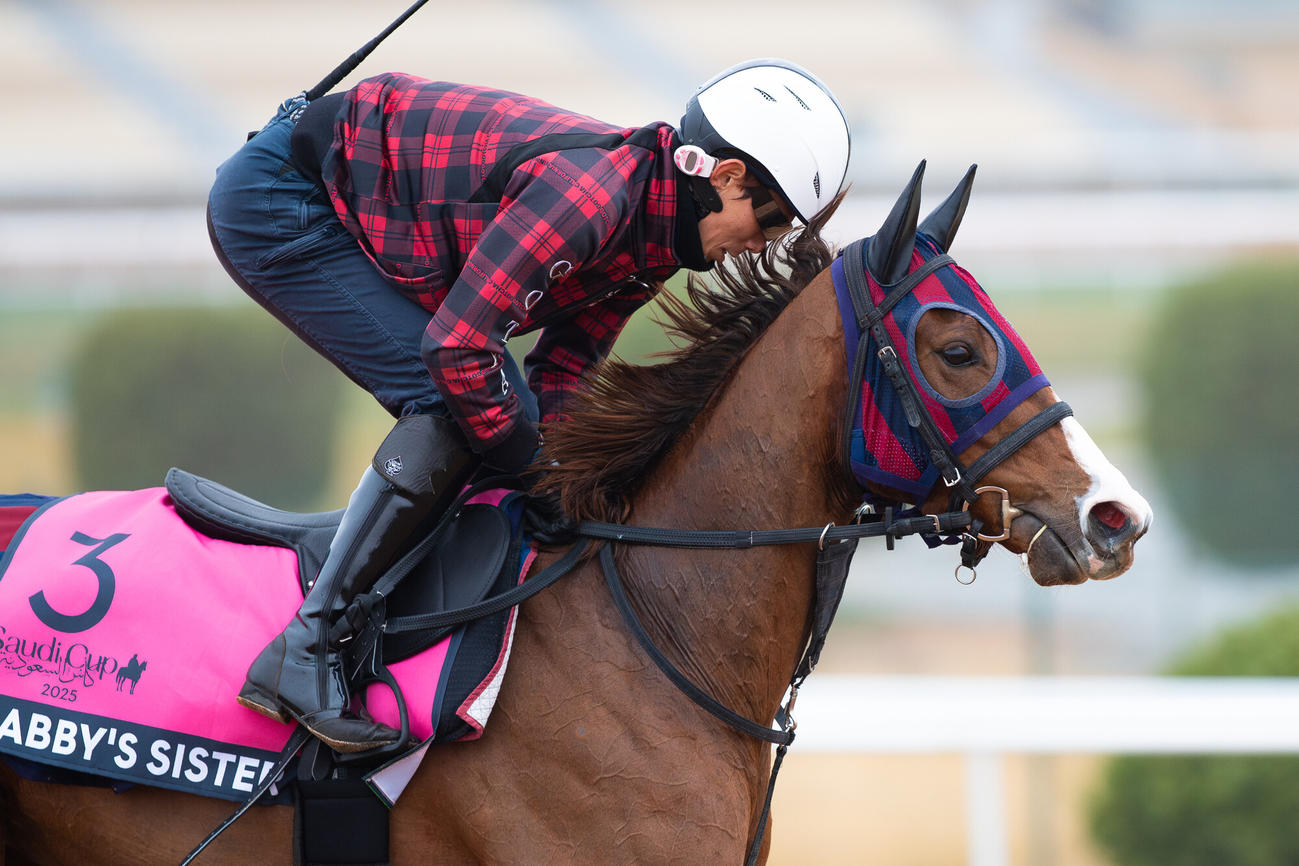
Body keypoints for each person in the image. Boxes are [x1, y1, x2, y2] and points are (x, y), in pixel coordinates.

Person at [206, 59, 851, 753]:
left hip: (352, 198)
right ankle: (306, 648)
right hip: (281, 200)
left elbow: (565, 364)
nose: (761, 245)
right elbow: (457, 349)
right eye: (770, 220)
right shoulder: (591, 198)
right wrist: (532, 469)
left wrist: (565, 477)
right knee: (454, 401)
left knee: (502, 419)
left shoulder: (656, 237)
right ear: (724, 176)